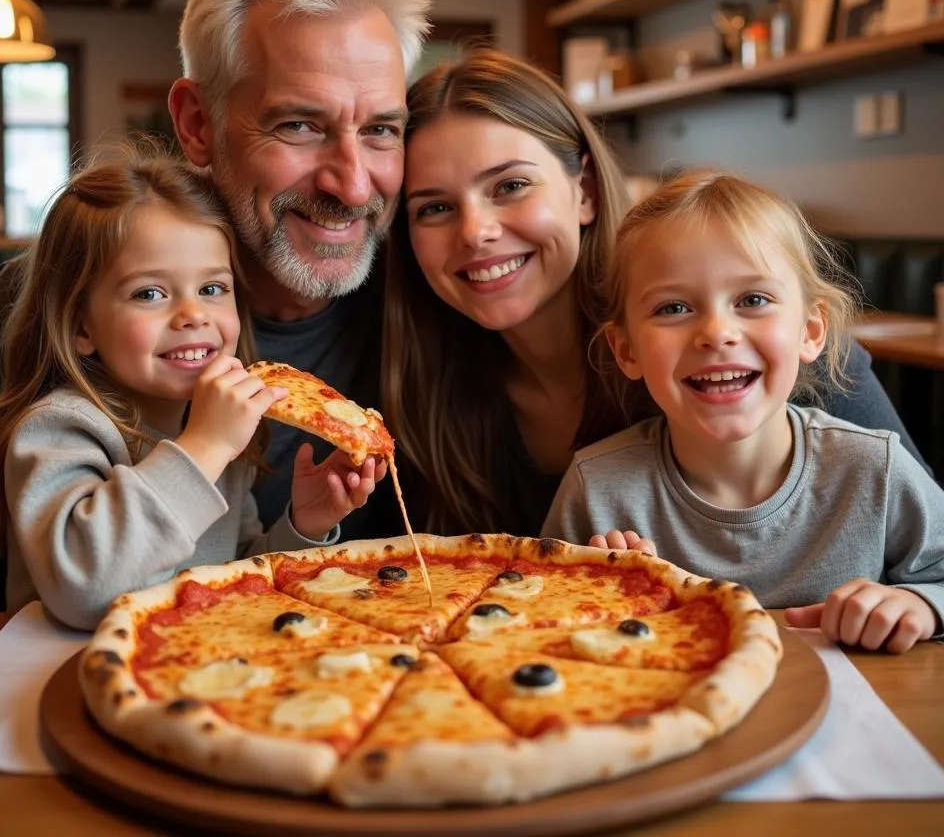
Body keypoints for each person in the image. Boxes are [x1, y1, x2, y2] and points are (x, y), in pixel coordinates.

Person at [0, 0, 430, 615]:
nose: (350, 183)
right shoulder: (46, 303)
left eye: (380, 130)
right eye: (300, 125)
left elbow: (246, 576)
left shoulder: (433, 285)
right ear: (197, 124)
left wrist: (307, 525)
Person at [383, 49, 933, 538]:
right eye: (434, 208)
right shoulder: (414, 386)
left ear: (586, 192)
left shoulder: (776, 354)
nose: (475, 230)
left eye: (511, 186)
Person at [0, 149, 381, 630]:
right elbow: (85, 593)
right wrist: (205, 448)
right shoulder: (61, 428)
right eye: (150, 294)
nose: (193, 315)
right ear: (81, 327)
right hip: (62, 679)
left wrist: (305, 523)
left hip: (185, 665)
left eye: (213, 289)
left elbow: (238, 581)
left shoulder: (215, 429)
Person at [542, 171, 943, 654]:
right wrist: (593, 591)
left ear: (811, 331)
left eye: (753, 300)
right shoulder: (596, 488)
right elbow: (539, 621)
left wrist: (920, 605)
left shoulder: (875, 469)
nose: (716, 331)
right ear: (626, 350)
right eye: (673, 308)